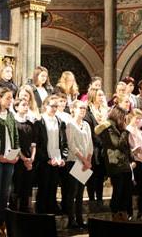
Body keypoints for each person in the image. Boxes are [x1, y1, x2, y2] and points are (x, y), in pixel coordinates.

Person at [95, 105, 132, 222]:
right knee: (118, 190)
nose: (124, 120)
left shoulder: (118, 127)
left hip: (124, 163)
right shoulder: (108, 127)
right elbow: (117, 144)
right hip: (115, 163)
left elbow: (125, 146)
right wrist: (126, 131)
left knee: (126, 190)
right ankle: (115, 213)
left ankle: (123, 212)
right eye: (123, 117)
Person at [35, 95, 68, 214]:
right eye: (52, 106)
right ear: (45, 105)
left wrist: (63, 158)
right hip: (44, 160)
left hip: (57, 159)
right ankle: (41, 211)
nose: (54, 108)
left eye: (56, 106)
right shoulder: (39, 121)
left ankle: (52, 208)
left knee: (53, 186)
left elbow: (64, 142)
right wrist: (46, 159)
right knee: (43, 187)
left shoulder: (59, 121)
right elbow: (37, 144)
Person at [0, 88, 20, 234]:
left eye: (11, 98)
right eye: (8, 98)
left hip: (10, 158)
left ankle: (2, 221)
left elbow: (15, 136)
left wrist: (16, 154)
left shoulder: (10, 115)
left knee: (5, 192)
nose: (10, 101)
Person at [65, 100, 93, 229]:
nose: (83, 110)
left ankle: (80, 218)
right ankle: (72, 220)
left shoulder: (86, 125)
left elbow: (90, 144)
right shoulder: (70, 124)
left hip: (85, 163)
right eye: (80, 108)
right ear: (73, 109)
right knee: (73, 192)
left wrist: (88, 160)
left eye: (85, 108)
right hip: (74, 161)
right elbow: (71, 145)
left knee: (81, 192)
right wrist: (83, 159)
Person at [84, 88, 108, 209]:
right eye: (99, 95)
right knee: (90, 176)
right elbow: (89, 130)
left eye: (102, 94)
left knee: (100, 176)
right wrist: (100, 140)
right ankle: (92, 201)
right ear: (93, 96)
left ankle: (99, 200)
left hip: (102, 149)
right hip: (92, 147)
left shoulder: (104, 111)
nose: (101, 97)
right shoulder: (88, 112)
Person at [12, 99, 36, 212]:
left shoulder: (30, 124)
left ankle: (25, 211)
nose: (26, 107)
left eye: (27, 105)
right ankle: (14, 212)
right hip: (18, 159)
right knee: (17, 187)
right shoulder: (13, 123)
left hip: (29, 160)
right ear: (16, 107)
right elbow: (14, 144)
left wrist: (31, 159)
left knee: (27, 187)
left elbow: (33, 144)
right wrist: (24, 159)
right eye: (23, 105)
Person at [126, 109, 142, 220]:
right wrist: (135, 150)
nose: (138, 120)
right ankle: (129, 213)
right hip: (133, 162)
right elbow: (126, 148)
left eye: (140, 119)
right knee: (131, 189)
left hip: (141, 161)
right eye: (136, 118)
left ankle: (141, 212)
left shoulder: (140, 132)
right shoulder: (127, 130)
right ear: (131, 117)